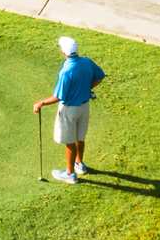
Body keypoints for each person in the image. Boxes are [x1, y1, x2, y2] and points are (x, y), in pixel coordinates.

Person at [34, 35, 106, 183]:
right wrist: (87, 88)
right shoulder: (86, 62)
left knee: (70, 141)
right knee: (80, 138)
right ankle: (80, 165)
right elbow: (100, 76)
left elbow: (58, 96)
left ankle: (70, 174)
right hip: (84, 107)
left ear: (64, 52)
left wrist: (41, 103)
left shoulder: (66, 71)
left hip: (69, 110)